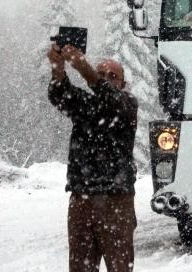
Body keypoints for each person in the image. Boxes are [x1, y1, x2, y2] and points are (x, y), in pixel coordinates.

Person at [47, 43, 138, 272]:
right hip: (81, 200)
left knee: (119, 267)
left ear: (122, 84)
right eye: (102, 74)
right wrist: (58, 67)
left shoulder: (127, 106)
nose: (106, 79)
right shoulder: (85, 106)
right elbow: (60, 94)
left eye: (112, 76)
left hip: (116, 200)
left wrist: (84, 68)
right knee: (80, 268)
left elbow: (112, 100)